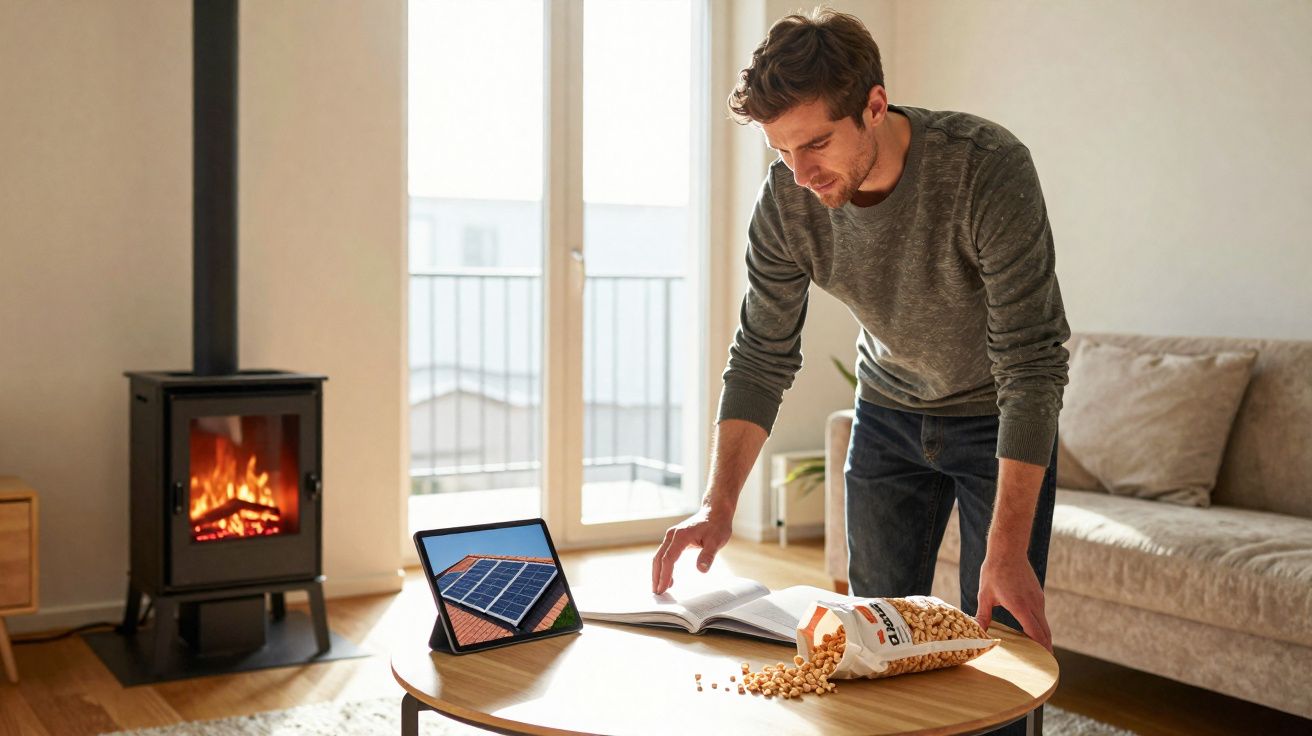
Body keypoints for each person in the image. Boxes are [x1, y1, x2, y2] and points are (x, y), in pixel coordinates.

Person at [650, 8, 1068, 732]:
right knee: (873, 649)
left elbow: (1032, 362)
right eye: (782, 151)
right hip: (887, 417)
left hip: (996, 421)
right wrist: (718, 503)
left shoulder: (985, 167)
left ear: (875, 104)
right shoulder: (786, 203)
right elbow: (761, 353)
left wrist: (1006, 548)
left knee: (1000, 655)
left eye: (815, 143)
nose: (802, 174)